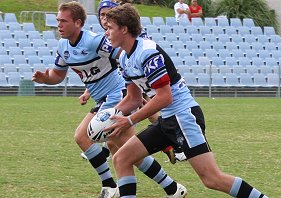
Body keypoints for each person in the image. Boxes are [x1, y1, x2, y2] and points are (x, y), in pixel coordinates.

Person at [104, 3, 269, 198]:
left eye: (110, 28)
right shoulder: (124, 59)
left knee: (212, 179)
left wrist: (130, 120)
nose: (106, 33)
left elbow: (166, 97)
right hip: (167, 119)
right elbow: (133, 98)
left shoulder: (147, 53)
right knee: (122, 158)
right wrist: (107, 117)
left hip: (184, 116)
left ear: (124, 29)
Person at [33, 1, 186, 197]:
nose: (59, 25)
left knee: (91, 139)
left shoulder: (94, 41)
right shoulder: (63, 46)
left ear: (78, 23)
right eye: (58, 21)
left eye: (64, 21)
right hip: (102, 99)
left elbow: (125, 53)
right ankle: (171, 187)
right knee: (123, 148)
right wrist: (46, 79)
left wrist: (138, 82)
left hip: (118, 94)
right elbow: (57, 75)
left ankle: (113, 186)